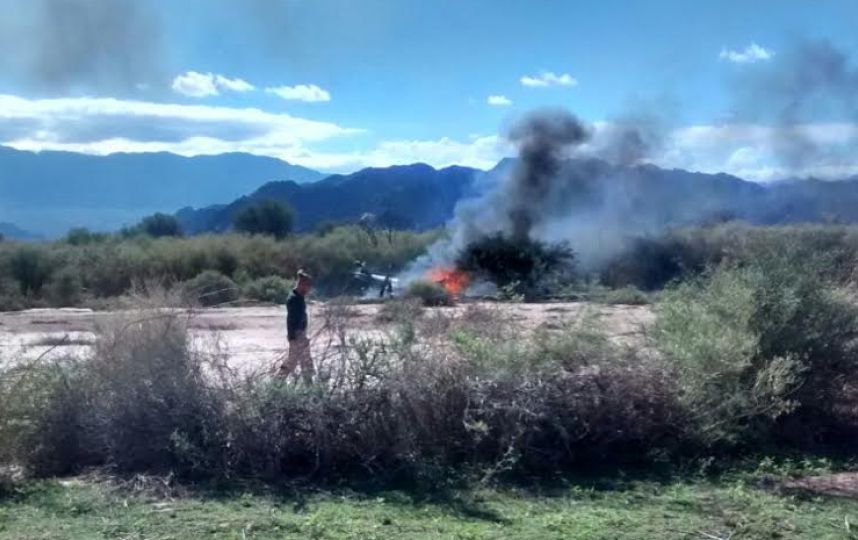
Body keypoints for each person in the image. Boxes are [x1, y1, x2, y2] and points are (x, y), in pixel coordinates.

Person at [280, 270, 314, 383]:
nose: (309, 290)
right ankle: (277, 383)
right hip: (297, 336)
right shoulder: (294, 299)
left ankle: (309, 387)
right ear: (302, 285)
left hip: (299, 336)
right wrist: (300, 337)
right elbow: (294, 321)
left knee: (303, 363)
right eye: (308, 286)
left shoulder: (299, 298)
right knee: (295, 362)